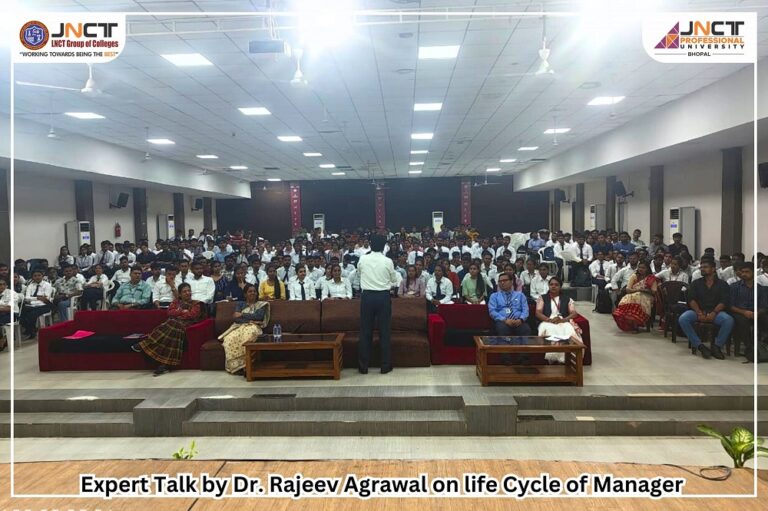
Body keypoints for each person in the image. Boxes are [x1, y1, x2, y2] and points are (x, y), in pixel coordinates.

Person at [131, 283, 205, 376]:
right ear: (180, 294)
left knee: (172, 323)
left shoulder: (196, 304)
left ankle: (145, 344)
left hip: (185, 327)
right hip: (173, 327)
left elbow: (192, 315)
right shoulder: (176, 302)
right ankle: (163, 366)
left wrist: (178, 313)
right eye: (184, 291)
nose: (187, 293)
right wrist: (182, 311)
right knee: (172, 326)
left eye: (189, 291)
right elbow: (170, 312)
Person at [357, 233, 398, 374]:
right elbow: (394, 280)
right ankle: (385, 366)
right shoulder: (388, 261)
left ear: (370, 244)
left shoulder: (363, 259)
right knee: (384, 332)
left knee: (365, 332)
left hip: (367, 296)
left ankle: (363, 366)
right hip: (383, 297)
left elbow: (359, 274)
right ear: (384, 246)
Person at [678, 259, 733, 360]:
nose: (702, 269)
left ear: (713, 269)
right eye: (701, 267)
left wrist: (714, 313)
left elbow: (724, 301)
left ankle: (717, 346)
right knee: (683, 318)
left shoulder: (722, 284)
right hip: (698, 311)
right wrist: (699, 312)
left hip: (716, 312)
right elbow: (691, 299)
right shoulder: (696, 283)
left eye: (705, 267)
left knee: (728, 320)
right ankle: (700, 346)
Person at [219, 283, 270, 375]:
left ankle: (246, 365)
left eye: (254, 291)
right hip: (239, 326)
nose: (253, 293)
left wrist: (243, 315)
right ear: (245, 294)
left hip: (253, 327)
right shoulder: (240, 304)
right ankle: (236, 367)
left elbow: (259, 316)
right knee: (229, 339)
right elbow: (236, 317)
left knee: (247, 337)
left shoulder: (261, 305)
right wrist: (251, 318)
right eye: (250, 291)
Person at [535, 276, 583, 364]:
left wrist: (564, 320)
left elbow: (574, 313)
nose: (553, 286)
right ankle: (553, 359)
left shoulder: (567, 299)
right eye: (551, 284)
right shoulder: (542, 298)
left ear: (560, 287)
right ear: (548, 286)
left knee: (570, 333)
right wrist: (549, 319)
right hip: (547, 322)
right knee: (551, 332)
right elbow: (538, 313)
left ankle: (568, 360)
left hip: (563, 322)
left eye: (556, 285)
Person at [612, 261, 659, 333]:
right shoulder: (634, 276)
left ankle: (636, 324)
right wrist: (638, 290)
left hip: (647, 297)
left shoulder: (651, 278)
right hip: (634, 295)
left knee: (637, 298)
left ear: (647, 269)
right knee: (629, 298)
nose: (641, 269)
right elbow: (628, 289)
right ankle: (632, 324)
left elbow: (653, 291)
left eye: (643, 268)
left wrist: (643, 290)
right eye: (639, 267)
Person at [488, 271, 531, 336]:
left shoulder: (520, 295)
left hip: (518, 321)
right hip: (502, 321)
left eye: (505, 280)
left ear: (511, 282)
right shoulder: (494, 296)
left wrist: (521, 320)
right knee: (502, 329)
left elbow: (525, 310)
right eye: (500, 281)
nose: (502, 282)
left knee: (526, 329)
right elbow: (492, 311)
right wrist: (505, 320)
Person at [729, 263, 757, 357]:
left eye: (747, 272)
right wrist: (744, 312)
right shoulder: (734, 287)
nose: (744, 274)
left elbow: (763, 305)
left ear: (753, 273)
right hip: (738, 312)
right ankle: (749, 348)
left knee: (764, 318)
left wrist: (756, 312)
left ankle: (761, 346)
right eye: (742, 272)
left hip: (755, 312)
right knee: (743, 321)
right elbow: (730, 305)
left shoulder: (759, 287)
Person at [20, 269, 54, 339]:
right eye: (35, 276)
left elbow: (46, 298)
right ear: (32, 277)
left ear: (42, 276)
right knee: (21, 313)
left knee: (31, 314)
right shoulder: (30, 286)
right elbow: (27, 298)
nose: (37, 277)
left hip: (45, 305)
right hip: (31, 305)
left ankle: (30, 331)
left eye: (39, 275)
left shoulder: (47, 285)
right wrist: (38, 298)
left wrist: (32, 299)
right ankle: (32, 329)